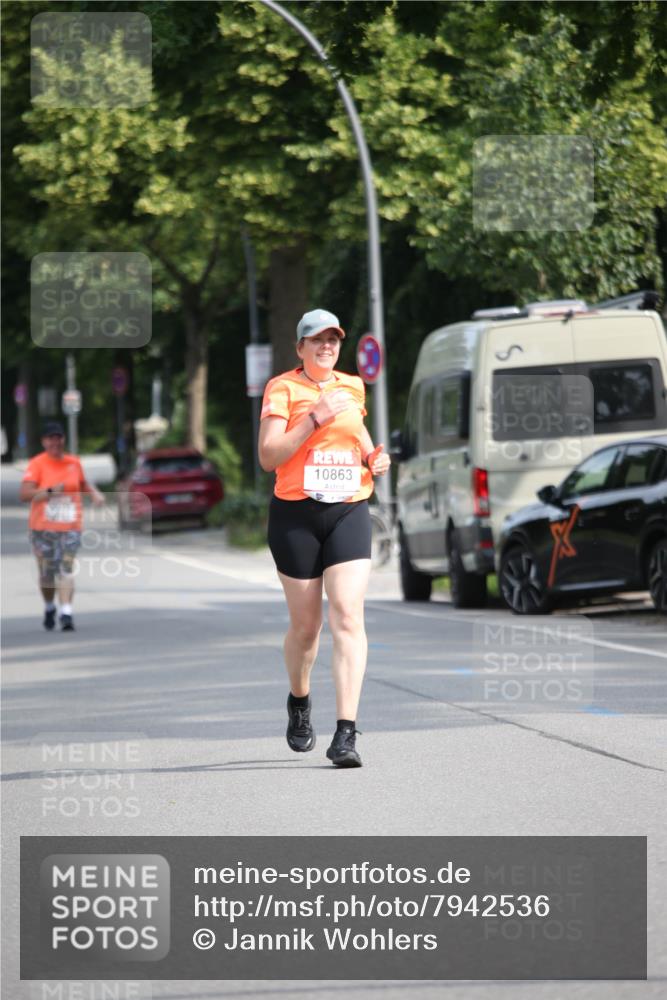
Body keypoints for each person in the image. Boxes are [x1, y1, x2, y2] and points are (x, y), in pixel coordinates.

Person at [258, 309, 391, 768]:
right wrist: (313, 418)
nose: (327, 346)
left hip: (349, 508)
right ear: (300, 348)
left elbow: (357, 431)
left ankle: (346, 733)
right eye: (317, 340)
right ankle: (299, 699)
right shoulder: (283, 388)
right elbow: (268, 455)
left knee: (348, 615)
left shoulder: (353, 385)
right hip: (295, 515)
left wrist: (374, 455)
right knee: (306, 628)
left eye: (333, 339)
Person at [20, 421, 105, 631]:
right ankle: (50, 606)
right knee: (47, 573)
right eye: (50, 438)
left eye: (58, 437)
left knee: (66, 568)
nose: (55, 442)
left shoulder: (73, 462)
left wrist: (94, 494)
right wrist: (49, 491)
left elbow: (83, 483)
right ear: (44, 441)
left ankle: (66, 612)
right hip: (42, 527)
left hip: (70, 526)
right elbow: (24, 494)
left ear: (63, 439)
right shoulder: (36, 464)